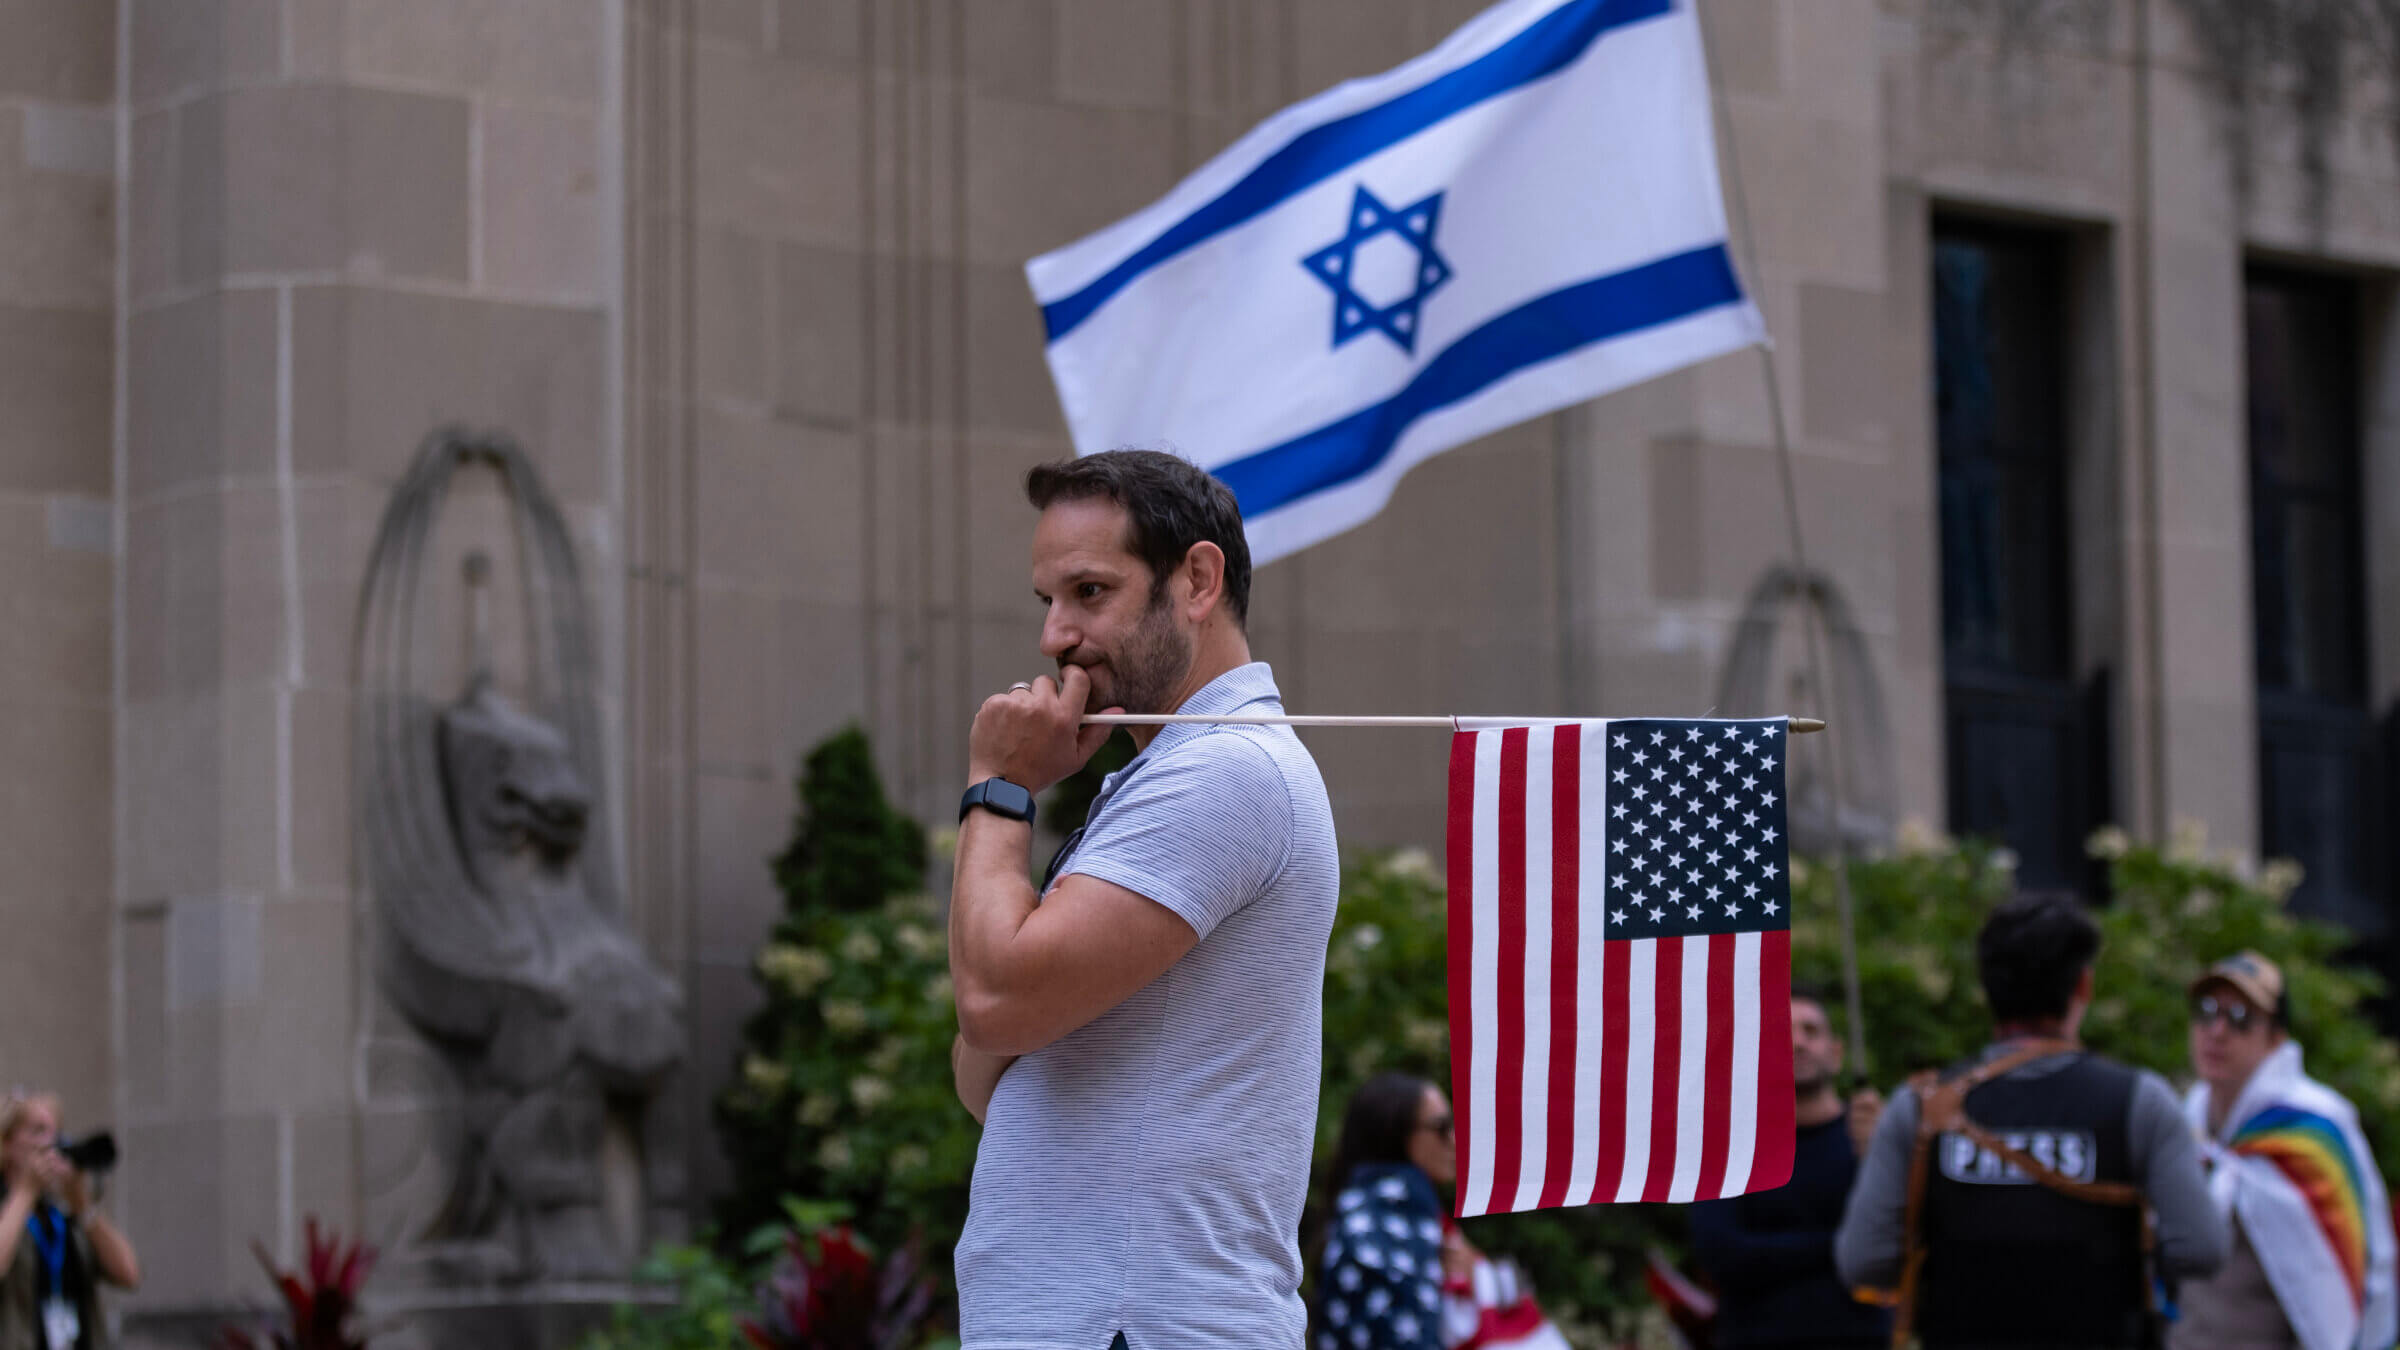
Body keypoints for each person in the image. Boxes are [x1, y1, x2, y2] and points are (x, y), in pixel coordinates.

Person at [946, 449, 1339, 1349]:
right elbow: (987, 1068)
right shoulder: (1181, 771)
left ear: (1196, 581)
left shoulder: (1223, 769)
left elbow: (995, 1005)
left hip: (1132, 1322)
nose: (1054, 638)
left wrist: (999, 788)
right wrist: (1005, 1017)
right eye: (1047, 601)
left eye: (1090, 592)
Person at [1834, 892, 2226, 1348]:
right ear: (2083, 985)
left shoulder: (1920, 1106)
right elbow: (2201, 1250)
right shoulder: (2140, 1101)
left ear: (1986, 988)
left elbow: (1864, 1262)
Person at [2170, 951, 2396, 1350]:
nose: (2217, 1031)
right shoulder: (2190, 1116)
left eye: (2240, 1017)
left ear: (2276, 1037)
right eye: (2206, 1012)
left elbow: (2364, 1266)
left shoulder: (2316, 1127)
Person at [1691, 987, 1889, 1349]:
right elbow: (1722, 1256)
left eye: (1811, 1031)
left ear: (1837, 1053)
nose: (1798, 1043)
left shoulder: (1875, 1140)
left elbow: (1899, 1243)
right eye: (1784, 1032)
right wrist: (1843, 1245)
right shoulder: (1730, 1148)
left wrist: (1879, 1157)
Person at [1313, 1073, 1473, 1350]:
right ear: (1395, 1132)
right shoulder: (1388, 1223)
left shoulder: (1371, 1212)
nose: (1455, 1140)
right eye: (1442, 1127)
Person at [1, 1091, 138, 1350]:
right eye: (37, 1131)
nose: (51, 1143)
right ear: (6, 1143)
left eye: (56, 1132)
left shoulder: (63, 1216)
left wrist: (82, 1203)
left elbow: (128, 1274)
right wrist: (24, 1193)